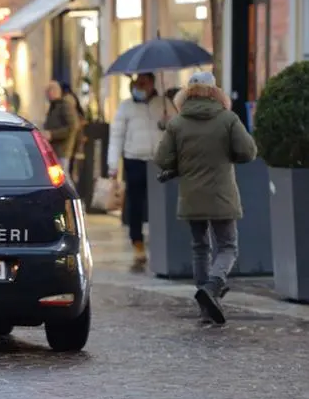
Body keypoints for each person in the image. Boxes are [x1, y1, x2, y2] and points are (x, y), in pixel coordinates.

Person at [154, 72, 257, 325]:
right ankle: (212, 287)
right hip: (222, 194)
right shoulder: (228, 118)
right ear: (214, 91)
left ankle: (204, 305)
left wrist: (182, 159)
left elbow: (162, 159)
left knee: (200, 247)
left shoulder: (177, 123)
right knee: (228, 246)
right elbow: (248, 151)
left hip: (191, 195)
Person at [107, 72, 176, 267]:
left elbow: (177, 128)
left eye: (143, 84)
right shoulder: (126, 107)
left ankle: (160, 239)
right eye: (137, 84)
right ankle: (137, 242)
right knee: (135, 204)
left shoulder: (164, 104)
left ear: (152, 84)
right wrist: (112, 165)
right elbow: (116, 136)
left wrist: (167, 121)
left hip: (159, 161)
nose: (139, 87)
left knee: (160, 204)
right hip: (134, 160)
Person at [42, 80, 81, 171]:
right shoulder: (54, 106)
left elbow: (73, 126)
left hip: (62, 150)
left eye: (48, 91)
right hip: (55, 150)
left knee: (63, 178)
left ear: (54, 91)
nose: (46, 95)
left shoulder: (65, 105)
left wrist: (52, 134)